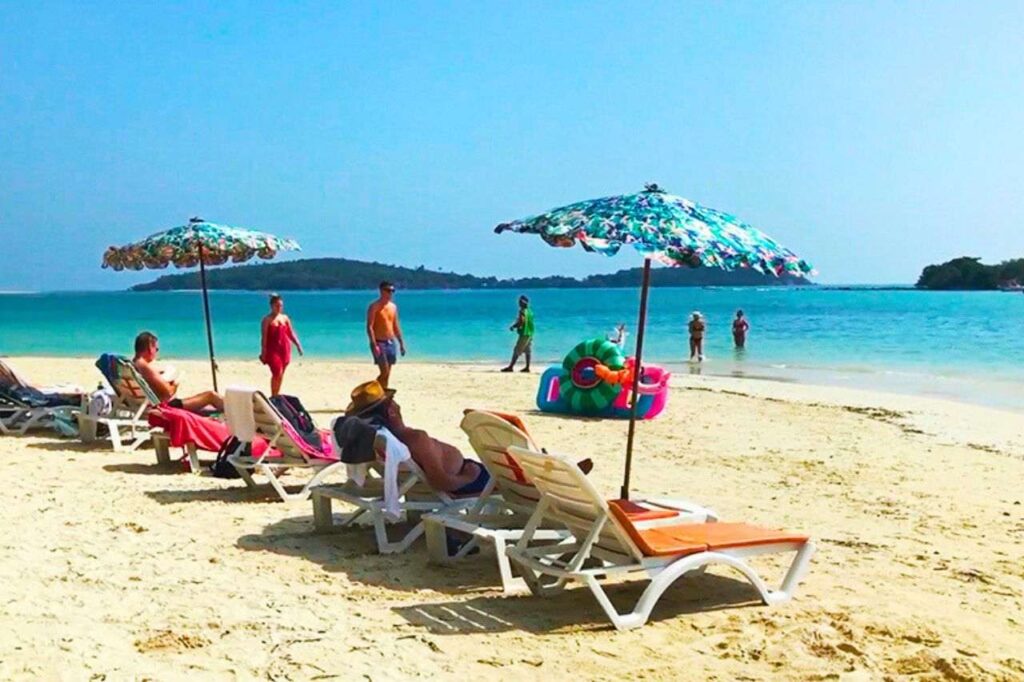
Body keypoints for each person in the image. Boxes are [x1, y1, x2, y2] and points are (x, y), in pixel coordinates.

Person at [346, 381, 491, 495]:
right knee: (508, 482)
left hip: (413, 484)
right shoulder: (415, 439)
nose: (397, 403)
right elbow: (440, 481)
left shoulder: (378, 440)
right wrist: (469, 477)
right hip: (463, 480)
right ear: (391, 412)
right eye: (393, 401)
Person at [132, 331, 224, 411]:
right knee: (210, 396)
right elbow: (168, 393)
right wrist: (176, 382)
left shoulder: (135, 363)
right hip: (167, 407)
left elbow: (152, 383)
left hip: (150, 404)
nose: (156, 352)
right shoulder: (144, 366)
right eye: (156, 349)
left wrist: (160, 376)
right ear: (150, 348)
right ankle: (234, 410)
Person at [260, 294, 303, 396]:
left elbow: (290, 333)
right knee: (277, 372)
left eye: (281, 306)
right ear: (272, 306)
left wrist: (298, 345)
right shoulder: (267, 320)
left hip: (284, 348)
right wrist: (263, 353)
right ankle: (273, 395)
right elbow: (264, 337)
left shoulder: (285, 318)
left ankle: (277, 394)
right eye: (277, 306)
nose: (279, 308)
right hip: (273, 350)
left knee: (281, 373)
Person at [366, 281, 406, 389]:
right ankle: (369, 391)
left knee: (387, 374)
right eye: (388, 290)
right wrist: (374, 344)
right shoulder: (374, 306)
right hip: (379, 342)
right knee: (384, 372)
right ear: (381, 291)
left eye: (392, 291)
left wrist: (401, 343)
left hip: (391, 342)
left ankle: (382, 395)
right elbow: (369, 327)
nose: (390, 293)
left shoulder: (393, 307)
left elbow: (396, 326)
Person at [501, 295, 534, 373]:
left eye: (519, 302)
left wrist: (513, 326)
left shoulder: (522, 311)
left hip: (524, 333)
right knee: (527, 350)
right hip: (530, 333)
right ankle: (527, 367)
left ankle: (511, 367)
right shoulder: (530, 311)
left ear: (522, 303)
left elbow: (521, 321)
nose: (518, 303)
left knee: (517, 350)